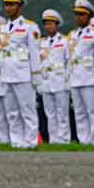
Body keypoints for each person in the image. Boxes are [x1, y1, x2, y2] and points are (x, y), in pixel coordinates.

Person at [0, 0, 41, 149]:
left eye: (12, 5)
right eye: (6, 4)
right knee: (11, 111)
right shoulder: (2, 28)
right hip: (6, 73)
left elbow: (34, 53)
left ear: (20, 7)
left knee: (27, 109)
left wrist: (36, 76)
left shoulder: (29, 26)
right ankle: (17, 141)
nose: (8, 8)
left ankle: (31, 141)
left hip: (23, 73)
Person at [66, 0, 94, 144]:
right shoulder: (72, 35)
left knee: (93, 112)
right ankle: (83, 140)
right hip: (75, 77)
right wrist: (68, 78)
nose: (78, 17)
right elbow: (69, 59)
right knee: (79, 113)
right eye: (76, 14)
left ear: (89, 16)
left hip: (90, 77)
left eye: (82, 14)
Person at [33, 8, 72, 145]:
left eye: (51, 23)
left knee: (62, 113)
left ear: (57, 24)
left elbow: (69, 62)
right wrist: (38, 82)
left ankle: (64, 139)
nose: (48, 26)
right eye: (46, 24)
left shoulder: (65, 40)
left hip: (60, 80)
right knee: (50, 113)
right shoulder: (40, 42)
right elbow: (37, 62)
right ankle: (54, 139)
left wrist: (68, 80)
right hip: (46, 81)